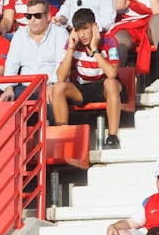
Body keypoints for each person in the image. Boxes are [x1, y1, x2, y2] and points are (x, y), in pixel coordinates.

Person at [52, 9, 123, 147]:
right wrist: (71, 49)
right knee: (58, 88)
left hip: (106, 87)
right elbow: (60, 77)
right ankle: (63, 138)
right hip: (83, 88)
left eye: (85, 29)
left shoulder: (110, 41)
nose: (82, 35)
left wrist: (95, 49)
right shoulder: (73, 44)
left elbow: (112, 73)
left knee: (111, 83)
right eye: (78, 30)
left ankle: (113, 137)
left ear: (95, 27)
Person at [2, 0, 69, 99]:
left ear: (48, 16)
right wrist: (8, 87)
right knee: (7, 98)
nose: (32, 20)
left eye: (37, 16)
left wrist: (52, 85)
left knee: (53, 99)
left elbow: (61, 63)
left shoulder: (60, 33)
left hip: (50, 85)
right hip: (24, 87)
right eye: (28, 16)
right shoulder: (20, 34)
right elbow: (12, 63)